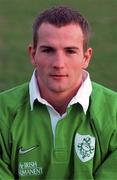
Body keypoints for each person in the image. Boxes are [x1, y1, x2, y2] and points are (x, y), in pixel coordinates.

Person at [0, 5, 117, 180]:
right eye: (48, 50)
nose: (59, 63)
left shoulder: (114, 112)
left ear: (86, 57)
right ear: (33, 55)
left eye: (70, 51)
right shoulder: (3, 111)